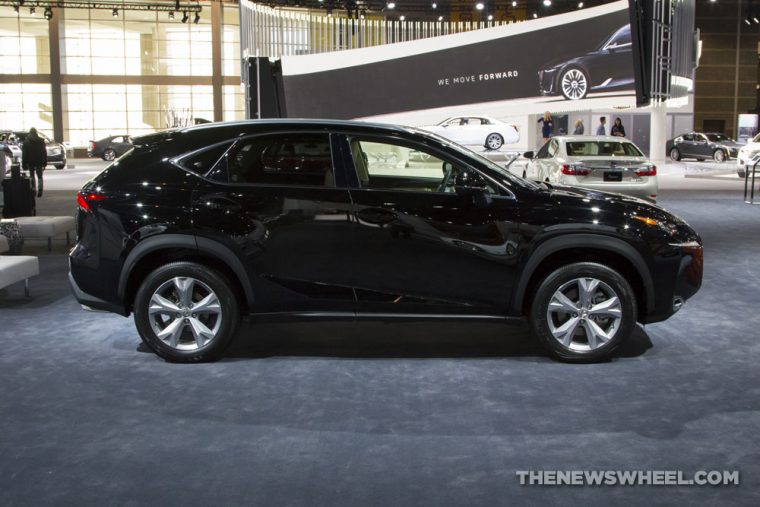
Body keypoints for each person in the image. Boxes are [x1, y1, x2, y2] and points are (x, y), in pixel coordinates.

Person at [22, 127, 47, 197]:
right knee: (39, 176)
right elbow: (44, 152)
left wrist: (24, 164)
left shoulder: (26, 142)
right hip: (39, 161)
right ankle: (40, 189)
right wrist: (45, 162)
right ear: (36, 133)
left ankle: (33, 189)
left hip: (30, 161)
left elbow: (24, 154)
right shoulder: (41, 141)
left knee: (32, 176)